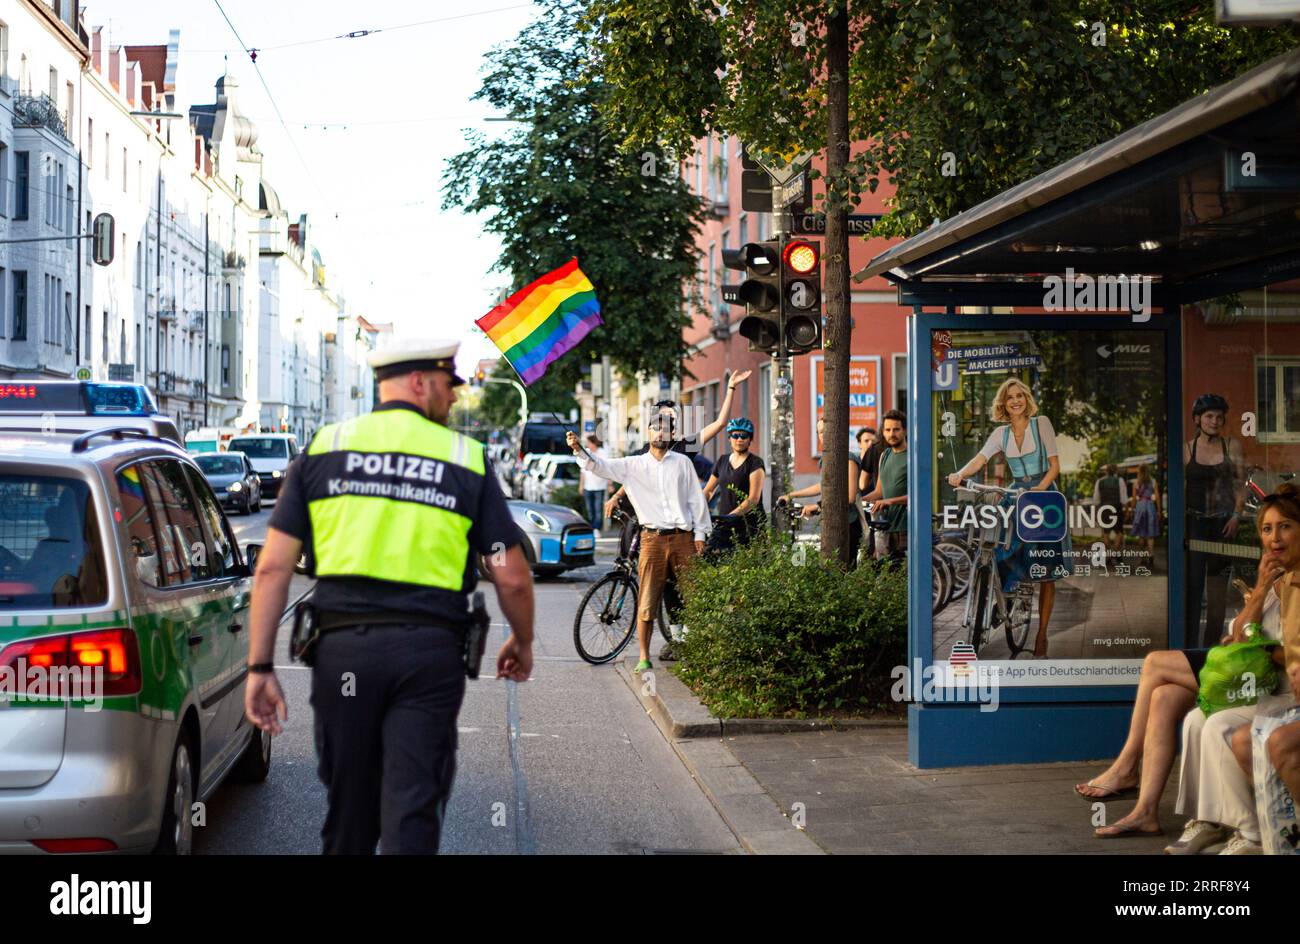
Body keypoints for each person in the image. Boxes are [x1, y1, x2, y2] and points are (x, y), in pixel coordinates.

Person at [243, 339, 535, 854]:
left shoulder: (325, 447)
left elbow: (271, 568)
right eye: (447, 387)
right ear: (420, 382)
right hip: (429, 656)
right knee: (413, 814)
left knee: (349, 812)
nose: (451, 400)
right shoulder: (463, 457)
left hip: (343, 655)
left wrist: (260, 667)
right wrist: (522, 641)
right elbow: (509, 574)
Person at [1080, 488, 1298, 845]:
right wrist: (1260, 590)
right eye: (1267, 529)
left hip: (1265, 683)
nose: (1274, 538)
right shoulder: (1274, 579)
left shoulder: (1295, 580)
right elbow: (1237, 635)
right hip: (1245, 676)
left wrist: (1257, 640)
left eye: (1285, 527)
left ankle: (1129, 766)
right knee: (1165, 697)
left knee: (1157, 667)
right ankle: (1162, 812)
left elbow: (1258, 645)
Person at [566, 407, 710, 675]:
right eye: (656, 427)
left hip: (683, 539)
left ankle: (696, 653)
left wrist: (700, 534)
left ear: (672, 433)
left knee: (695, 597)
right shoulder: (634, 465)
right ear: (649, 432)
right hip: (652, 540)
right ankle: (644, 656)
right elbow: (600, 465)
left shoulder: (683, 463)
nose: (660, 432)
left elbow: (696, 500)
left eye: (666, 428)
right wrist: (578, 450)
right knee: (647, 600)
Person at [947, 378, 1067, 658]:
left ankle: (1041, 635)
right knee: (1000, 549)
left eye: (1020, 396)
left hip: (1042, 496)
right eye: (1010, 397)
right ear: (1003, 403)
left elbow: (1054, 466)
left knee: (1046, 570)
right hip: (1016, 494)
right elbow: (980, 458)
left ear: (1027, 399)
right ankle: (1001, 601)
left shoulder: (1042, 424)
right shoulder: (1001, 433)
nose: (1015, 401)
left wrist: (1040, 487)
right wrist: (960, 475)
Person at [603, 370, 752, 522]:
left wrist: (731, 388)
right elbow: (633, 476)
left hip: (680, 518)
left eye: (671, 418)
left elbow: (720, 423)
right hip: (652, 516)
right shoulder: (646, 450)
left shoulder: (685, 446)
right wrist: (616, 496)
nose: (666, 422)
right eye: (662, 419)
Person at [1185, 393, 1246, 648]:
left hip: (1223, 525)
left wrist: (1236, 515)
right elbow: (1180, 490)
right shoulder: (1187, 449)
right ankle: (1188, 645)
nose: (1214, 421)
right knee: (1193, 588)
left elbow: (1240, 485)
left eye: (1219, 417)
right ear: (1198, 419)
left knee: (1217, 592)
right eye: (1209, 416)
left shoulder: (1231, 446)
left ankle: (1210, 648)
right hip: (1195, 525)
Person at [778, 415, 863, 564]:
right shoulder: (825, 459)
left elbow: (849, 497)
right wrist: (791, 495)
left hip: (847, 524)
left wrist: (817, 507)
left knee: (844, 570)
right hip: (830, 522)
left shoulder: (848, 459)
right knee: (829, 568)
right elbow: (823, 486)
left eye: (827, 431)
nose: (824, 435)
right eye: (820, 432)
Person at [702, 417, 766, 553]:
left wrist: (731, 516)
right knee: (708, 556)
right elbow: (708, 491)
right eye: (735, 435)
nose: (739, 439)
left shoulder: (755, 463)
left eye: (744, 436)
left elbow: (753, 499)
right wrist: (696, 509)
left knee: (748, 568)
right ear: (729, 438)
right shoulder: (722, 461)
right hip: (725, 525)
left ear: (750, 439)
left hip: (750, 526)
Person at [859, 410, 908, 562]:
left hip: (905, 527)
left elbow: (920, 494)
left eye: (896, 429)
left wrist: (890, 501)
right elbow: (879, 491)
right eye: (887, 430)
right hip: (885, 526)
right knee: (885, 572)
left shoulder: (913, 456)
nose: (891, 434)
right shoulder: (884, 455)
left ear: (905, 430)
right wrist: (860, 500)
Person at [1128, 464, 1160, 569]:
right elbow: (1157, 496)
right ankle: (1151, 556)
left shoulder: (1136, 483)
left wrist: (1132, 510)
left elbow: (1133, 499)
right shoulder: (1153, 481)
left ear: (1139, 472)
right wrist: (1159, 510)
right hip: (1150, 506)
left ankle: (1143, 557)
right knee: (1150, 535)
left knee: (1141, 534)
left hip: (1140, 506)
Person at [1093, 464, 1128, 555]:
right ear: (1116, 471)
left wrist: (1096, 512)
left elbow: (1096, 500)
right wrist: (1127, 510)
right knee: (1119, 532)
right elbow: (1124, 499)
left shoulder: (1100, 482)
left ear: (1106, 471)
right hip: (1116, 508)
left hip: (1104, 509)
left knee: (1106, 532)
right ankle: (1115, 552)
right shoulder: (1120, 481)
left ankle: (1108, 555)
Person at [581, 434, 611, 532]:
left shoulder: (603, 453)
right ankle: (592, 528)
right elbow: (583, 471)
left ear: (593, 443)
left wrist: (609, 484)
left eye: (588, 443)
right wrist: (581, 485)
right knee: (590, 510)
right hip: (587, 487)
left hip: (600, 486)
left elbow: (608, 468)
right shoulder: (586, 453)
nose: (587, 444)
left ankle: (596, 529)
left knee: (598, 510)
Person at [857, 426, 883, 496]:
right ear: (859, 444)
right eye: (866, 441)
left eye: (873, 441)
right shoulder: (853, 464)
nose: (870, 443)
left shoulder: (879, 463)